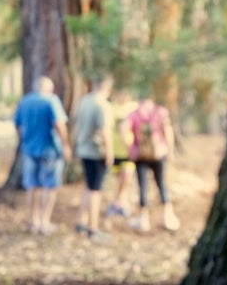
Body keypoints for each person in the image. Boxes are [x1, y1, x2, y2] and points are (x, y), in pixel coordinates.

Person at [14, 76, 71, 235]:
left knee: (32, 185)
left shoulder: (25, 101)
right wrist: (65, 145)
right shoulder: (51, 101)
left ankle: (33, 220)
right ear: (48, 88)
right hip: (49, 150)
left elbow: (17, 125)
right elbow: (59, 124)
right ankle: (45, 221)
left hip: (29, 149)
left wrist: (25, 139)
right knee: (50, 186)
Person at [126, 98, 180, 232]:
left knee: (142, 186)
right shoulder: (160, 112)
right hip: (159, 153)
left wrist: (130, 149)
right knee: (161, 183)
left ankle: (143, 220)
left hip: (140, 155)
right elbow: (168, 131)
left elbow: (123, 129)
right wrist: (170, 151)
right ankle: (168, 217)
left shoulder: (134, 114)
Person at [73, 75, 115, 241]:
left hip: (83, 149)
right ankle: (93, 228)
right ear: (107, 88)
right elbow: (105, 130)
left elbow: (77, 125)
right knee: (95, 190)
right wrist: (109, 152)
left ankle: (81, 221)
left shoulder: (84, 101)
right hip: (96, 152)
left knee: (89, 187)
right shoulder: (102, 105)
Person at [105, 90, 139, 218]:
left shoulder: (134, 107)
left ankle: (116, 202)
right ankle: (121, 204)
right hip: (115, 150)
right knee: (120, 179)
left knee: (127, 178)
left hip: (129, 151)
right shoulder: (110, 107)